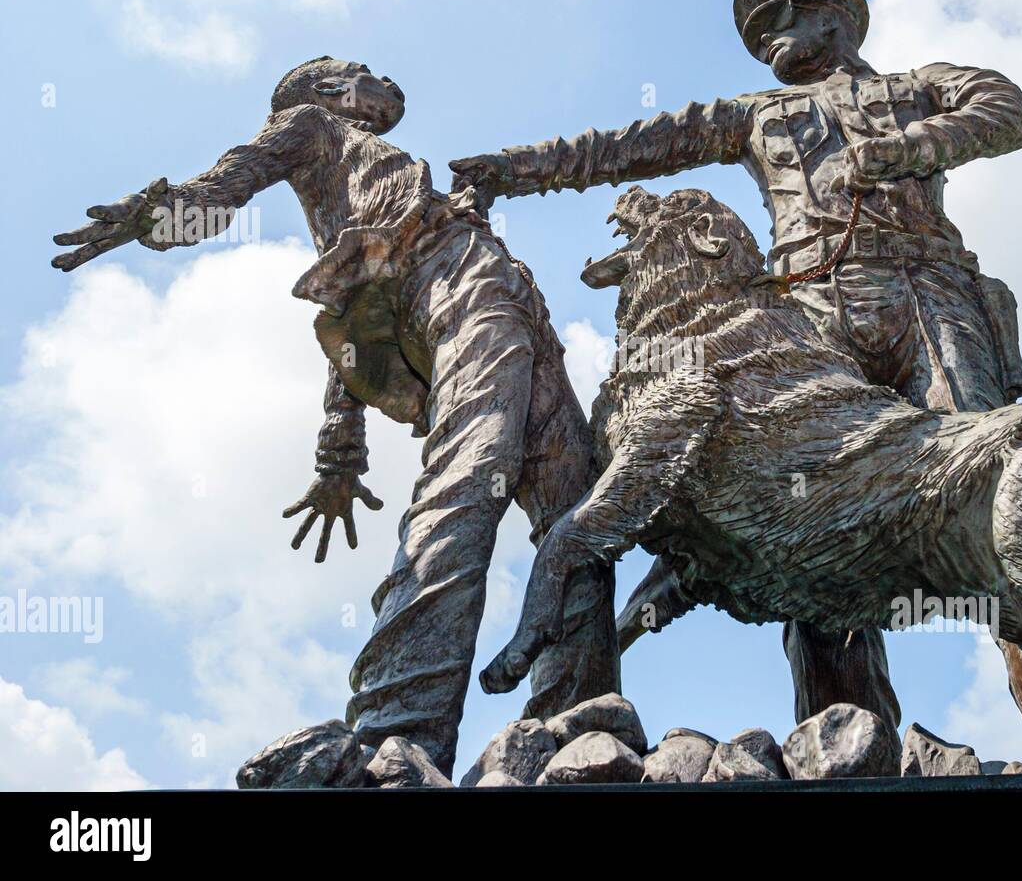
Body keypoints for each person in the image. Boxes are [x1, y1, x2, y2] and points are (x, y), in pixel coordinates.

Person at [450, 0, 1022, 753]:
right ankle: (845, 742)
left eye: (784, 14)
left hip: (928, 296)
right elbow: (625, 149)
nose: (767, 32)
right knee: (812, 509)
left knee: (996, 488)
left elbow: (1007, 111)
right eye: (758, 23)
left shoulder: (923, 84)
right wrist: (508, 169)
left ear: (837, 19)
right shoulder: (752, 115)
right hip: (811, 314)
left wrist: (909, 146)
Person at [52, 57, 620, 776]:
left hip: (504, 296)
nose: (387, 80)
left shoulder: (352, 190)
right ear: (328, 92)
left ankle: (579, 726)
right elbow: (227, 186)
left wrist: (340, 450)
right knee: (471, 477)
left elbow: (351, 316)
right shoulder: (308, 124)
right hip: (454, 285)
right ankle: (398, 733)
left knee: (581, 514)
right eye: (365, 72)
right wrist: (155, 219)